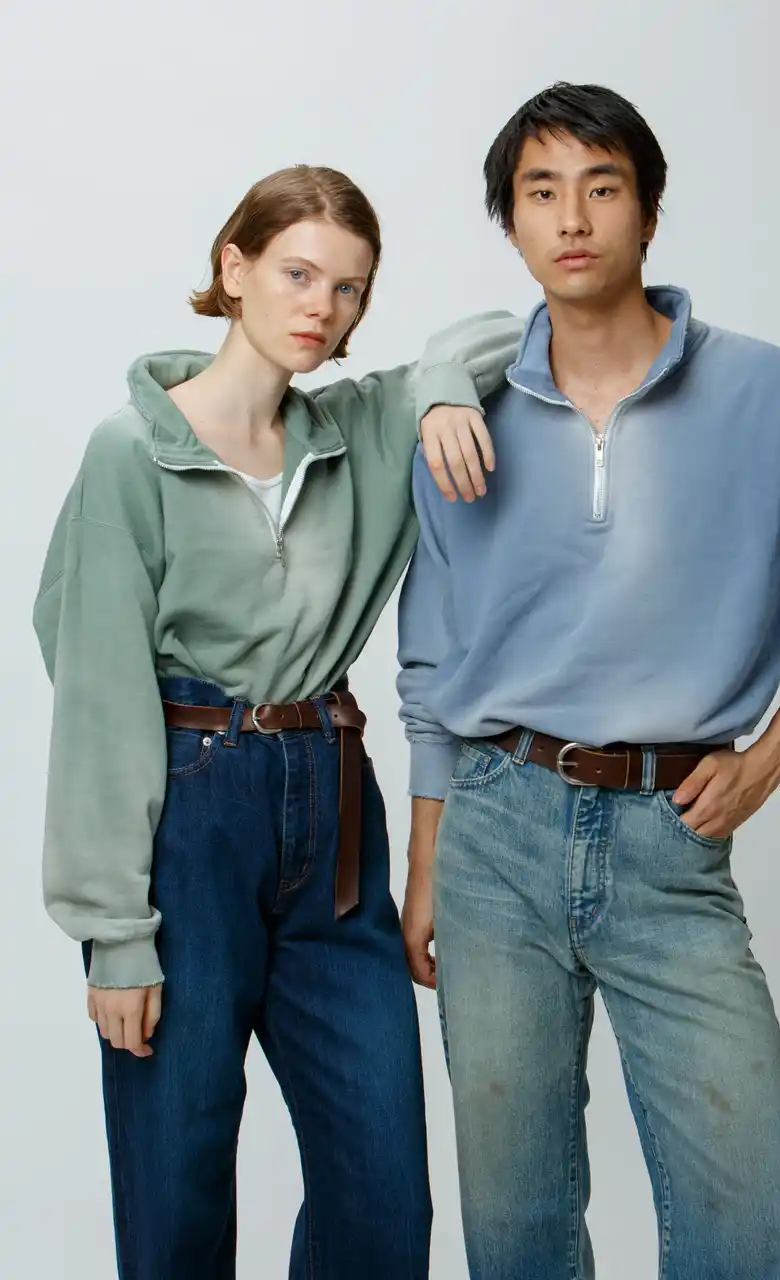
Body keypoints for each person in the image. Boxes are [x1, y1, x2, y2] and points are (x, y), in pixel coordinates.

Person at [398, 82, 780, 1279]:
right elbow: (431, 657)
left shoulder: (775, 393)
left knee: (754, 1232)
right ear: (509, 222)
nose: (572, 218)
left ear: (648, 211)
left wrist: (769, 755)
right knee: (517, 1233)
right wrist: (426, 856)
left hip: (670, 836)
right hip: (492, 830)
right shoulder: (461, 417)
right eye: (540, 192)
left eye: (602, 187)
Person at [33, 164, 520, 1280]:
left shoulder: (361, 429)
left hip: (334, 808)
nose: (321, 308)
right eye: (297, 274)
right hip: (189, 810)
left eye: (349, 288)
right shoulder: (132, 453)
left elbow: (515, 331)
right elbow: (98, 697)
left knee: (382, 1192)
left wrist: (443, 383)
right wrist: (115, 931)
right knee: (177, 1184)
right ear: (234, 266)